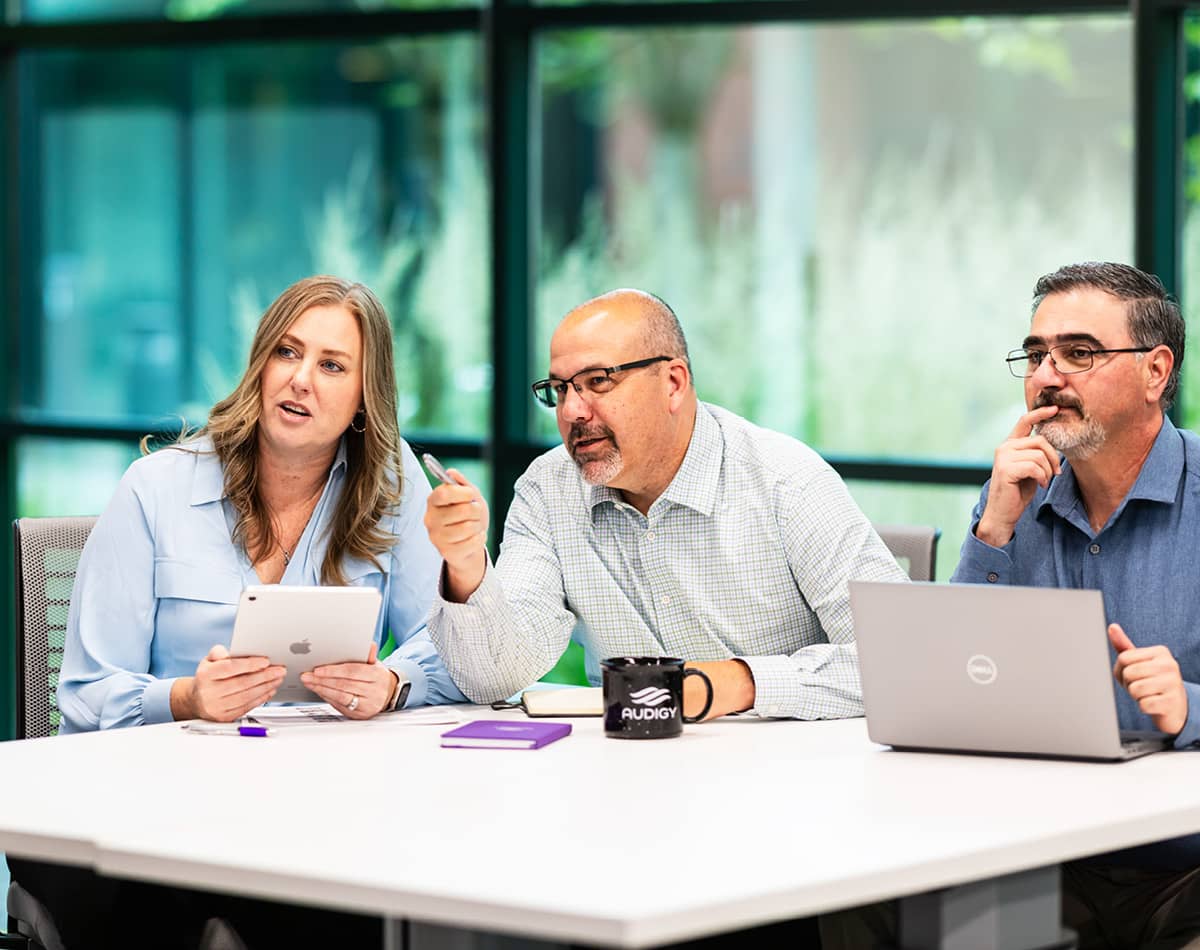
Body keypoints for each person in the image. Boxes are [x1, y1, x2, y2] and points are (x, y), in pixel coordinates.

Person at [11, 275, 466, 949]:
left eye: (332, 365)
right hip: (142, 806)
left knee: (376, 890)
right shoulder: (156, 489)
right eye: (287, 352)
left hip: (309, 809)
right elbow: (83, 695)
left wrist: (395, 682)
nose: (301, 379)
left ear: (364, 402)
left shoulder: (389, 486)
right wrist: (187, 698)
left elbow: (454, 651)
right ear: (260, 366)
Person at [823, 261, 1200, 949]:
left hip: (1184, 865)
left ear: (1155, 372)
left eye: (1078, 353)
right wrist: (993, 531)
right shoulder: (1015, 493)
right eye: (1035, 355)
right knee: (852, 897)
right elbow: (943, 694)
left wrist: (1190, 705)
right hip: (1032, 853)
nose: (1047, 375)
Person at [423, 288, 907, 721]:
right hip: (627, 781)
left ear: (673, 383)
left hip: (787, 783)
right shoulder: (549, 490)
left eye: (597, 381)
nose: (572, 411)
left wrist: (737, 683)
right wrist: (467, 566)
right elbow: (495, 678)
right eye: (560, 390)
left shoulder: (786, 482)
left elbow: (900, 662)